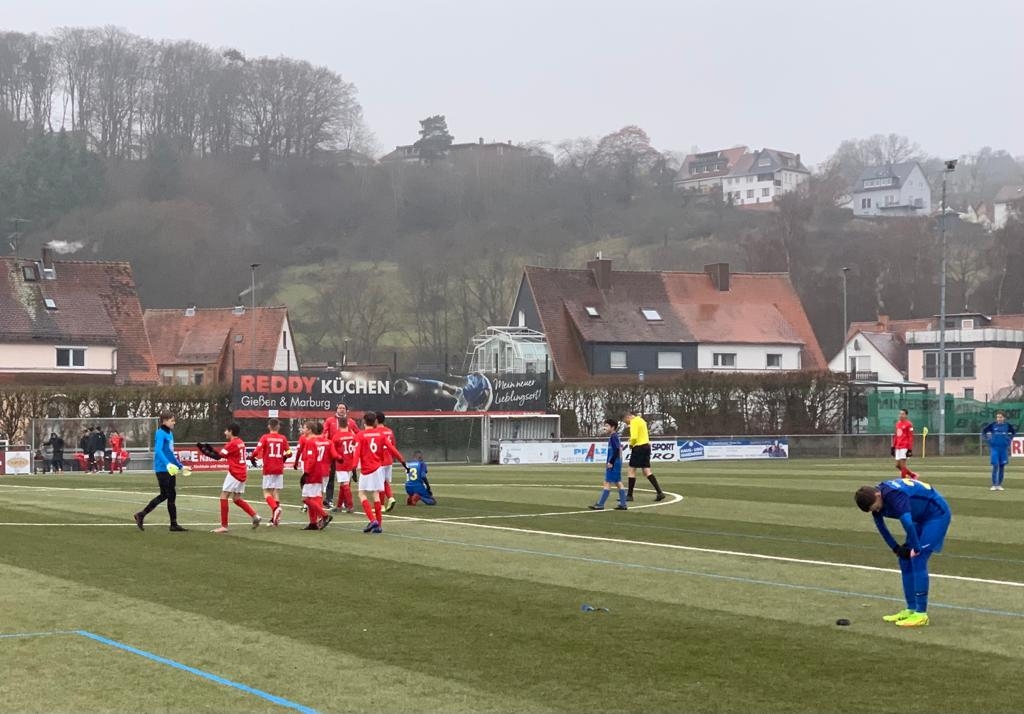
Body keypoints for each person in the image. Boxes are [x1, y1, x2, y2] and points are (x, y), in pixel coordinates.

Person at [854, 477, 952, 628]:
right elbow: (882, 527)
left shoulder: (894, 496)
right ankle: (911, 608)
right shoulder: (875, 499)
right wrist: (896, 549)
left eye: (876, 507)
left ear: (878, 495)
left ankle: (921, 614)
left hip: (936, 514)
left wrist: (916, 548)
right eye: (873, 510)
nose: (877, 511)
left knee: (918, 558)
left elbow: (907, 522)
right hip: (920, 518)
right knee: (904, 559)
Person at [133, 412, 189, 532]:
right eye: (172, 420)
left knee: (172, 495)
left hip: (171, 469)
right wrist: (167, 463)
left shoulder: (170, 434)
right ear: (165, 421)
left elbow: (170, 453)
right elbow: (158, 450)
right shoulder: (160, 433)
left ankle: (173, 524)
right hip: (162, 469)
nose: (174, 422)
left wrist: (180, 466)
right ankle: (141, 514)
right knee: (165, 494)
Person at [200, 424, 261, 533]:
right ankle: (255, 516)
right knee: (236, 499)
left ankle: (224, 526)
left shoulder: (231, 444)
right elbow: (222, 454)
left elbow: (218, 457)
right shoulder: (240, 442)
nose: (225, 433)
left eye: (226, 431)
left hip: (235, 473)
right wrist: (210, 449)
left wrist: (205, 451)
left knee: (223, 496)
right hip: (242, 472)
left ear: (231, 431)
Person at [356, 411, 409, 534]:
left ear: (364, 421)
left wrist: (353, 467)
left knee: (361, 494)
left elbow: (357, 453)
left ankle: (372, 520)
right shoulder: (381, 434)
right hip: (378, 468)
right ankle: (379, 525)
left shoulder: (360, 435)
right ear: (374, 421)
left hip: (366, 469)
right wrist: (402, 461)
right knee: (376, 494)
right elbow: (392, 449)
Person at [297, 421, 337, 530]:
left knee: (306, 498)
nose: (303, 430)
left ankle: (324, 516)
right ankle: (313, 523)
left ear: (310, 430)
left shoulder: (311, 441)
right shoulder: (317, 441)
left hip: (312, 473)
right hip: (318, 472)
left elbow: (311, 459)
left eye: (304, 428)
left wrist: (306, 473)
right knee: (313, 497)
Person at [251, 418, 291, 526]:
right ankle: (275, 519)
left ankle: (275, 508)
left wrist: (252, 457)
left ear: (269, 426)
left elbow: (257, 450)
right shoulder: (283, 438)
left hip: (269, 468)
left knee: (266, 492)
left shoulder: (265, 437)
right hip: (279, 468)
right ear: (278, 427)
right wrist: (284, 457)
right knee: (276, 492)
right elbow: (289, 452)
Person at [323, 402, 359, 511]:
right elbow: (325, 433)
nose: (341, 409)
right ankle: (331, 501)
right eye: (340, 408)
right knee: (332, 478)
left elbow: (358, 433)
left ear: (346, 410)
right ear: (336, 409)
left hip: (341, 456)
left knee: (344, 481)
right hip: (338, 454)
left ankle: (347, 504)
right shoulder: (330, 420)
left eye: (343, 408)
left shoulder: (351, 422)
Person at [624, 408, 665, 502]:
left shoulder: (634, 422)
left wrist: (631, 444)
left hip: (639, 447)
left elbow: (634, 437)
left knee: (631, 470)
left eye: (626, 421)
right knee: (647, 471)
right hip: (646, 446)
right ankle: (660, 492)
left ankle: (629, 495)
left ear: (628, 417)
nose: (627, 423)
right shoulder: (642, 420)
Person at [589, 418, 628, 510]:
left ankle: (600, 504)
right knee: (618, 482)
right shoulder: (614, 436)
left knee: (607, 482)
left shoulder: (614, 436)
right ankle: (623, 504)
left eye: (607, 426)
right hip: (617, 463)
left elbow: (617, 450)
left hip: (614, 463)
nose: (605, 428)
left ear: (613, 427)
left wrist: (611, 462)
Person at [981, 410, 1016, 491]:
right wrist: (988, 440)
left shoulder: (1007, 425)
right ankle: (994, 485)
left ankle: (999, 485)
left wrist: (1009, 440)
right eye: (997, 417)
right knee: (995, 465)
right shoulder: (993, 425)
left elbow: (1013, 432)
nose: (999, 419)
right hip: (995, 448)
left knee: (1002, 466)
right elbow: (984, 431)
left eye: (1000, 417)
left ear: (1004, 418)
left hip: (1003, 449)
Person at [377, 412, 398, 512]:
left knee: (379, 483)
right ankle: (390, 498)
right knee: (385, 481)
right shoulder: (389, 431)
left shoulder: (375, 432)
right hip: (389, 459)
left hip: (380, 460)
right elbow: (393, 445)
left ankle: (381, 505)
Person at [891, 409, 918, 480]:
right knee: (898, 465)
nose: (901, 415)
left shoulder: (909, 424)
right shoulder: (898, 424)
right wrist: (893, 446)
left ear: (906, 415)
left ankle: (903, 480)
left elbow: (910, 437)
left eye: (902, 414)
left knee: (903, 466)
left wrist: (909, 449)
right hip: (898, 446)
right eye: (900, 414)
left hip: (904, 446)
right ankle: (912, 475)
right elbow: (896, 435)